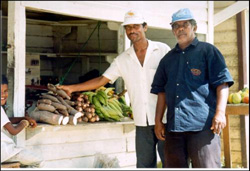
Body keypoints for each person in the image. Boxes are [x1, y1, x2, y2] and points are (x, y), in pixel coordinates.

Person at [57, 10, 171, 168]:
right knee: (144, 165)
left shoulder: (162, 50)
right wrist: (72, 88)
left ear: (145, 27)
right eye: (128, 27)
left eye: (136, 26)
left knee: (172, 162)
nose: (132, 30)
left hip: (166, 118)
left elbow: (175, 80)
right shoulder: (123, 59)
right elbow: (101, 80)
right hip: (141, 121)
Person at [151, 8, 234, 168]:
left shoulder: (208, 51)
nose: (180, 29)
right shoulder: (167, 59)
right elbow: (161, 91)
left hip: (202, 126)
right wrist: (158, 121)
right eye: (176, 26)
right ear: (173, 30)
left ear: (194, 27)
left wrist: (220, 113)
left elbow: (222, 84)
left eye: (185, 24)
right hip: (174, 128)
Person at [1, 75, 44, 168]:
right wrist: (24, 123)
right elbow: (13, 131)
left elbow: (6, 121)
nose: (3, 95)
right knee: (39, 160)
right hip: (5, 152)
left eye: (5, 91)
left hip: (4, 153)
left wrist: (22, 118)